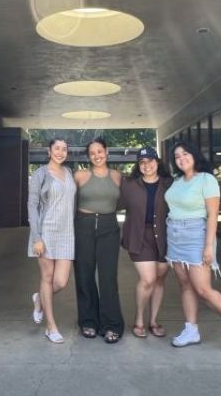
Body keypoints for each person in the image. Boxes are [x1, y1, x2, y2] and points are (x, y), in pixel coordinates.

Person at [165, 140, 221, 354]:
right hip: (174, 235)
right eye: (177, 156)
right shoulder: (177, 180)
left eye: (185, 153)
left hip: (196, 234)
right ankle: (191, 330)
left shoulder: (207, 179)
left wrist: (208, 247)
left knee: (203, 289)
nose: (181, 159)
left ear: (195, 155)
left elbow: (213, 215)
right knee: (185, 285)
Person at [73, 137, 125, 343]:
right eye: (92, 153)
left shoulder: (117, 176)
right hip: (83, 226)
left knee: (108, 278)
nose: (97, 156)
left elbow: (127, 199)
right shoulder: (80, 176)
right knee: (84, 276)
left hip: (109, 227)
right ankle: (88, 322)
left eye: (100, 151)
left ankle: (112, 325)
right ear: (88, 156)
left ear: (107, 152)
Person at [119, 146, 173, 339]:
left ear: (157, 162)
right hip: (139, 237)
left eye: (150, 161)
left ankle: (153, 321)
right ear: (138, 166)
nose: (146, 165)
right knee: (148, 279)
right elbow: (113, 203)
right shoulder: (129, 185)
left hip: (166, 237)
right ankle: (139, 319)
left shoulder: (170, 184)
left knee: (159, 280)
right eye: (142, 162)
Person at [27, 138, 76, 344]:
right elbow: (32, 206)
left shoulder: (69, 173)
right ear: (49, 151)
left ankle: (39, 299)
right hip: (45, 232)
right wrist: (36, 237)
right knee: (47, 278)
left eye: (64, 149)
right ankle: (51, 326)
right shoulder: (40, 174)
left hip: (66, 233)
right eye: (57, 148)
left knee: (61, 282)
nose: (60, 152)